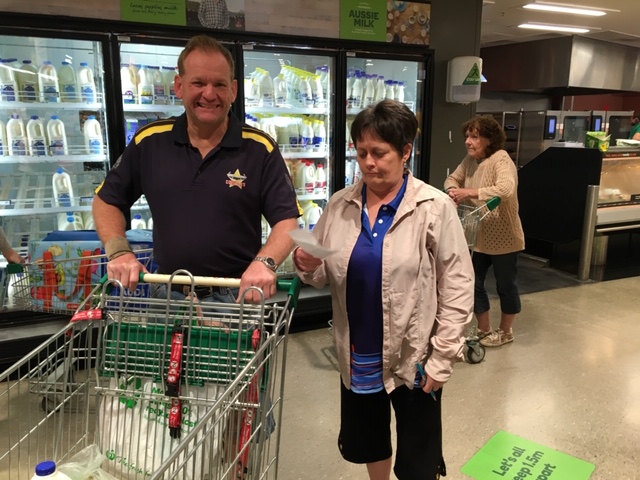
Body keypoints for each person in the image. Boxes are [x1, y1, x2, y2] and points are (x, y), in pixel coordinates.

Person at [294, 100, 474, 480]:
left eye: (380, 153)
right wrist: (307, 265)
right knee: (371, 437)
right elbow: (323, 272)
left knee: (418, 450)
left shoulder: (433, 207)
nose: (369, 163)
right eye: (361, 153)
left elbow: (457, 284)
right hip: (358, 350)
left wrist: (443, 357)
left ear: (406, 151)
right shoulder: (341, 205)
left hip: (414, 354)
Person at [93, 35, 299, 303]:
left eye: (219, 84)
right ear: (179, 86)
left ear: (234, 90)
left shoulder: (259, 148)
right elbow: (106, 200)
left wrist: (265, 262)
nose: (209, 94)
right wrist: (120, 252)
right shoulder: (150, 142)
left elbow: (287, 220)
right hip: (166, 294)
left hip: (237, 297)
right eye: (198, 83)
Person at [444, 115, 525, 348]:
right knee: (473, 283)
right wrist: (452, 191)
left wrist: (468, 192)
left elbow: (506, 189)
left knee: (505, 286)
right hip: (477, 236)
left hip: (504, 237)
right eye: (467, 136)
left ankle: (506, 331)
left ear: (489, 139)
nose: (468, 142)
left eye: (475, 137)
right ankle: (484, 330)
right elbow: (452, 178)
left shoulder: (501, 159)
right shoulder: (470, 161)